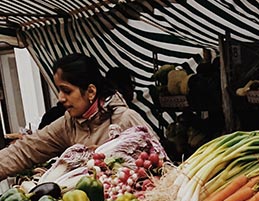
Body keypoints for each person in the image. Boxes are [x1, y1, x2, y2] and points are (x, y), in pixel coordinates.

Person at [0, 53, 157, 180]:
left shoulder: (125, 119)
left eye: (67, 91)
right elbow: (27, 149)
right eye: (59, 90)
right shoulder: (69, 124)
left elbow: (161, 166)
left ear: (91, 91)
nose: (60, 98)